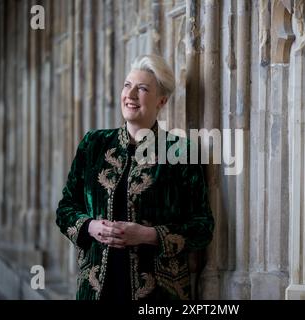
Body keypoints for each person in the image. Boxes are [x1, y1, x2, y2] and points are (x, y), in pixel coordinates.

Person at [56, 54, 214, 300]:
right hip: (96, 290)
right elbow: (65, 209)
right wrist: (91, 226)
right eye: (127, 85)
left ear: (161, 101)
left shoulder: (181, 151)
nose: (129, 95)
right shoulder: (93, 144)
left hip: (159, 294)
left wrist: (148, 235)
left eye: (141, 89)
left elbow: (202, 227)